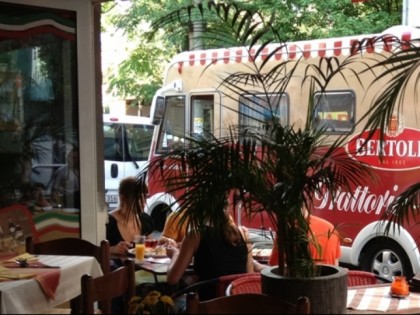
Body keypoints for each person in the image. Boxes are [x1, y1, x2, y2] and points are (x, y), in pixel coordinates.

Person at [165, 199, 254, 302]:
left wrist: (176, 254)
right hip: (238, 305)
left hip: (207, 306)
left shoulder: (195, 234)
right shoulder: (242, 234)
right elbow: (249, 276)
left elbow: (172, 279)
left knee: (171, 301)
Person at [253, 208, 341, 272]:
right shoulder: (330, 227)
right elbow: (336, 266)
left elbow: (274, 271)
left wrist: (254, 264)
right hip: (330, 286)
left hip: (301, 290)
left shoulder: (288, 231)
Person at [106, 176, 154, 257]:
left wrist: (162, 243)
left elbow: (151, 247)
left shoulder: (145, 220)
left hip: (142, 267)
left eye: (145, 197)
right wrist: (112, 249)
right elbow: (93, 251)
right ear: (123, 198)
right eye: (138, 197)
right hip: (118, 268)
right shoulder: (108, 222)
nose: (144, 202)